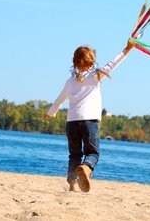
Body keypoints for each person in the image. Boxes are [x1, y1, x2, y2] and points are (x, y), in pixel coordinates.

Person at [45, 40, 134, 192]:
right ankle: (86, 169)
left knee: (74, 154)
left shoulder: (69, 81)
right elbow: (113, 63)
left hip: (72, 123)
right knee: (92, 153)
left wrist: (50, 113)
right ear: (91, 63)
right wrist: (127, 49)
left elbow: (59, 100)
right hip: (89, 122)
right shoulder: (95, 76)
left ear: (75, 62)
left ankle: (72, 184)